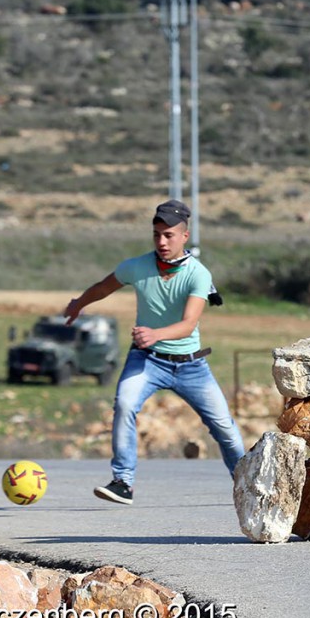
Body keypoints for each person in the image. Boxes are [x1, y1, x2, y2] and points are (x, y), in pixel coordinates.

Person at [63, 199, 246, 505]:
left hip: (190, 366)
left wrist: (155, 334)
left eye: (169, 235)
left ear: (184, 236)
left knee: (224, 427)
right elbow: (103, 287)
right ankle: (123, 482)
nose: (162, 241)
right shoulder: (136, 267)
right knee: (124, 404)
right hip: (146, 360)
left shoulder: (197, 274)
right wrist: (79, 303)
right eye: (157, 235)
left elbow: (188, 325)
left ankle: (248, 483)